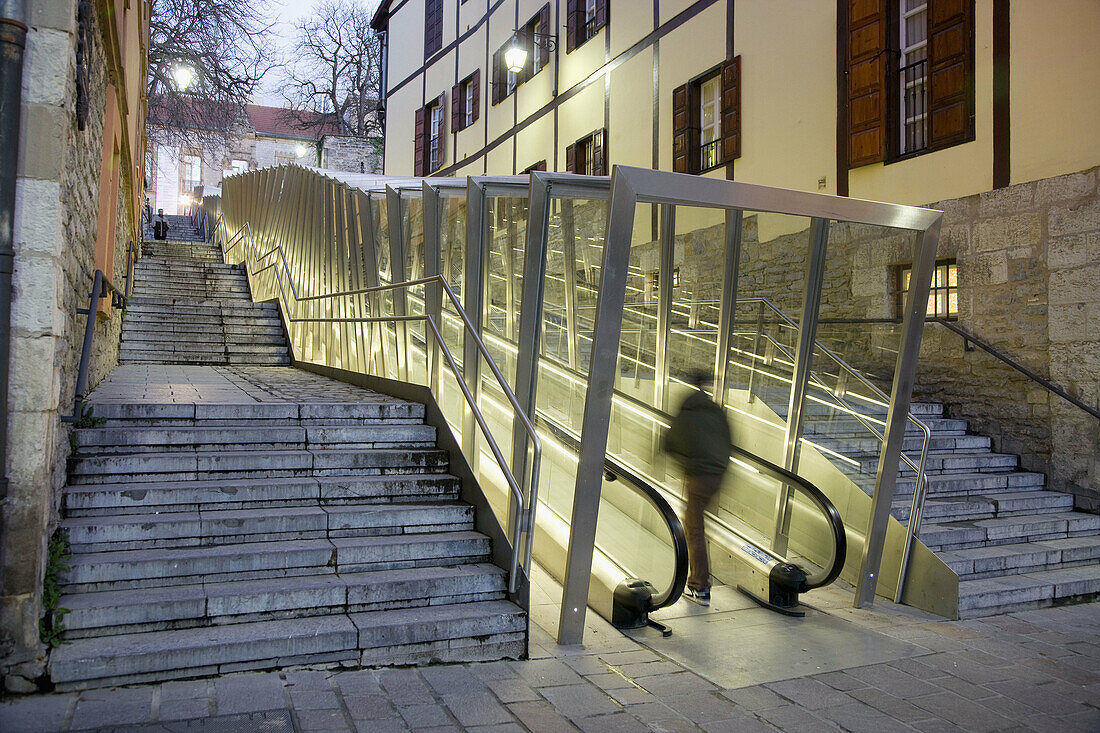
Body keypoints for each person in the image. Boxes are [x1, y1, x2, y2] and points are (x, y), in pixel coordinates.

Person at [665, 369, 732, 606]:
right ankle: (699, 580)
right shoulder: (717, 411)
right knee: (696, 523)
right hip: (717, 475)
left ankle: (700, 586)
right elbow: (729, 442)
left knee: (694, 529)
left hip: (698, 476)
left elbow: (671, 441)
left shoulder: (688, 411)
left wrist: (680, 459)